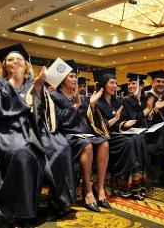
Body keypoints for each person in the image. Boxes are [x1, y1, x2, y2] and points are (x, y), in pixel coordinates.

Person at [0, 44, 76, 226]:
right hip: (7, 131)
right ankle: (21, 212)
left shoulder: (31, 84)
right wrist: (13, 82)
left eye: (19, 59)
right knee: (22, 154)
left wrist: (38, 88)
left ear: (26, 65)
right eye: (10, 59)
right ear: (4, 65)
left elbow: (42, 112)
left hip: (33, 129)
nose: (15, 62)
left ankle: (59, 200)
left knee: (61, 148)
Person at [50, 59, 110, 212]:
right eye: (71, 76)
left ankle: (100, 186)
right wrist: (75, 106)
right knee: (87, 146)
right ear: (62, 80)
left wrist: (91, 104)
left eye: (75, 77)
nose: (74, 79)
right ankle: (87, 189)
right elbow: (59, 120)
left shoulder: (82, 97)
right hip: (66, 135)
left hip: (84, 132)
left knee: (104, 143)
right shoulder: (54, 97)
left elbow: (87, 119)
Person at [94, 69, 147, 200]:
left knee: (137, 138)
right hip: (104, 138)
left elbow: (120, 123)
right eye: (112, 83)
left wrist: (125, 124)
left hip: (117, 135)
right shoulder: (96, 103)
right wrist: (115, 119)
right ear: (103, 85)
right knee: (129, 142)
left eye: (116, 83)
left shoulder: (118, 102)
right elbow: (97, 126)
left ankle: (137, 185)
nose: (115, 86)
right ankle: (125, 185)